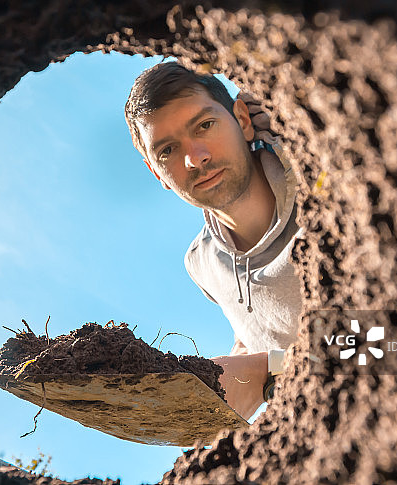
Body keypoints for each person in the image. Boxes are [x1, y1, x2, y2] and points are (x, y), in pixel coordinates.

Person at [124, 62, 304, 420]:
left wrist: (270, 371)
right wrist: (233, 368)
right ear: (156, 173)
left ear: (243, 119)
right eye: (167, 151)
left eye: (205, 125)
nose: (195, 158)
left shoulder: (328, 200)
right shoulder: (202, 263)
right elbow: (256, 331)